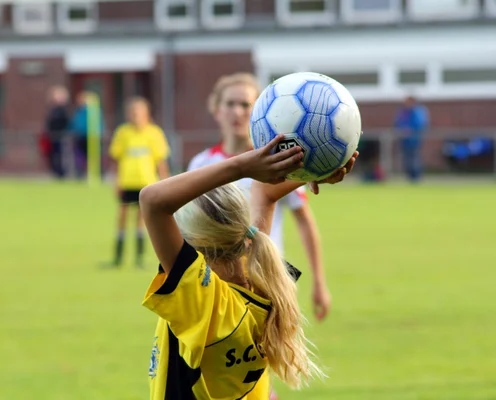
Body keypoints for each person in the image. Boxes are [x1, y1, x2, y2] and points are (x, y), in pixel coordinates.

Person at [140, 133, 358, 399]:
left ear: (196, 244)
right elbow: (264, 194)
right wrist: (319, 167)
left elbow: (152, 201)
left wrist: (242, 166)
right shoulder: (259, 277)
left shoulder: (202, 302)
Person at [188, 73, 331, 322]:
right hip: (220, 282)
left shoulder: (277, 162)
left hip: (268, 277)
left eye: (245, 104)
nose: (237, 111)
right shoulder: (201, 164)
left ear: (259, 111)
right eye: (230, 104)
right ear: (216, 110)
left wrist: (319, 281)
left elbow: (304, 221)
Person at [107, 97, 170, 268]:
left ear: (146, 114)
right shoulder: (123, 133)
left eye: (138, 112)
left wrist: (165, 181)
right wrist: (116, 181)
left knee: (141, 220)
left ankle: (139, 257)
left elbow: (160, 161)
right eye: (132, 113)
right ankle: (118, 257)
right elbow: (117, 160)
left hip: (146, 183)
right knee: (122, 217)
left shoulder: (154, 133)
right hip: (128, 182)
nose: (135, 116)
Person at [394, 96, 429, 182]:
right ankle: (410, 176)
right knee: (407, 159)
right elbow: (398, 123)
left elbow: (420, 124)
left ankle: (416, 177)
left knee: (414, 158)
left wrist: (411, 131)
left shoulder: (418, 111)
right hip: (405, 140)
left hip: (414, 139)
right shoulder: (403, 112)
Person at [45, 86, 70, 179]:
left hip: (60, 135)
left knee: (61, 154)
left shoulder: (63, 110)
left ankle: (61, 173)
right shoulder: (53, 109)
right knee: (53, 154)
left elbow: (65, 122)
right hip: (53, 136)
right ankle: (56, 172)